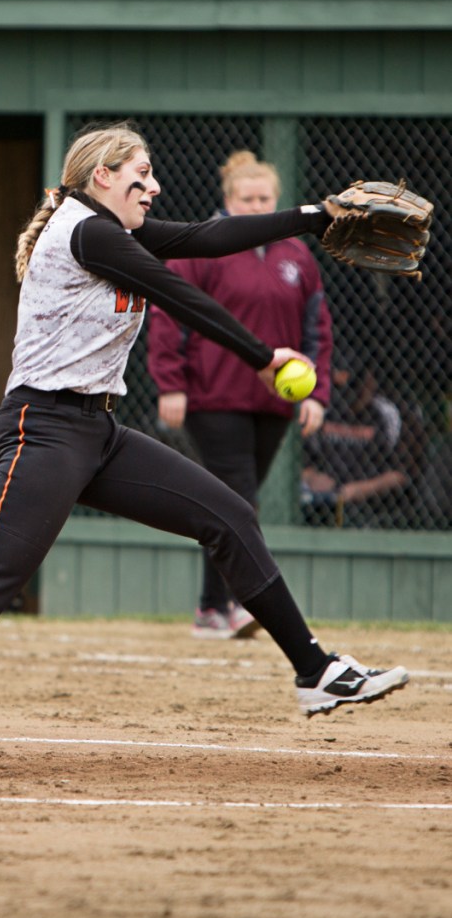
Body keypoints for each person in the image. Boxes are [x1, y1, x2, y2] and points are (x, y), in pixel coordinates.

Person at [0, 121, 408, 773]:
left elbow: (206, 237)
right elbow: (176, 289)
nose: (152, 187)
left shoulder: (110, 229)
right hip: (43, 428)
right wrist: (262, 357)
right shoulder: (87, 228)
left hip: (95, 431)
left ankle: (315, 671)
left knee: (229, 515)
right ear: (102, 177)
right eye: (139, 175)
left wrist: (314, 216)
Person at [148, 151, 333, 639]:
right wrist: (171, 383)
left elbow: (317, 327)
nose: (256, 206)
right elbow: (169, 313)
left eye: (265, 199)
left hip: (275, 400)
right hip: (214, 396)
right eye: (247, 199)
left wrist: (318, 392)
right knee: (238, 501)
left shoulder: (297, 254)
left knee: (229, 507)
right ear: (228, 200)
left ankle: (211, 608)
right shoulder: (204, 246)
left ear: (277, 201)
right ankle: (235, 604)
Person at [302, 351, 428, 528]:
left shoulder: (392, 413)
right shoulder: (322, 409)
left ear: (369, 381)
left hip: (380, 510)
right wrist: (313, 477)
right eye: (339, 387)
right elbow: (301, 461)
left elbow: (402, 474)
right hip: (326, 507)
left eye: (354, 386)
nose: (346, 394)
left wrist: (357, 490)